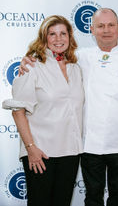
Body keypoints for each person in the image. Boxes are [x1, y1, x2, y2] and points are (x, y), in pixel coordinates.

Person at [19, 8, 118, 206]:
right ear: (91, 29)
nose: (106, 30)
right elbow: (49, 59)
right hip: (88, 145)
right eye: (100, 26)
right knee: (92, 196)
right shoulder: (78, 58)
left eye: (111, 25)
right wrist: (26, 60)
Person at [2, 15, 84, 206]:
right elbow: (18, 110)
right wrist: (31, 149)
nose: (58, 39)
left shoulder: (75, 68)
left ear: (70, 37)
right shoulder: (32, 66)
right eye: (52, 34)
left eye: (63, 33)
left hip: (70, 152)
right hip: (41, 153)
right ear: (44, 38)